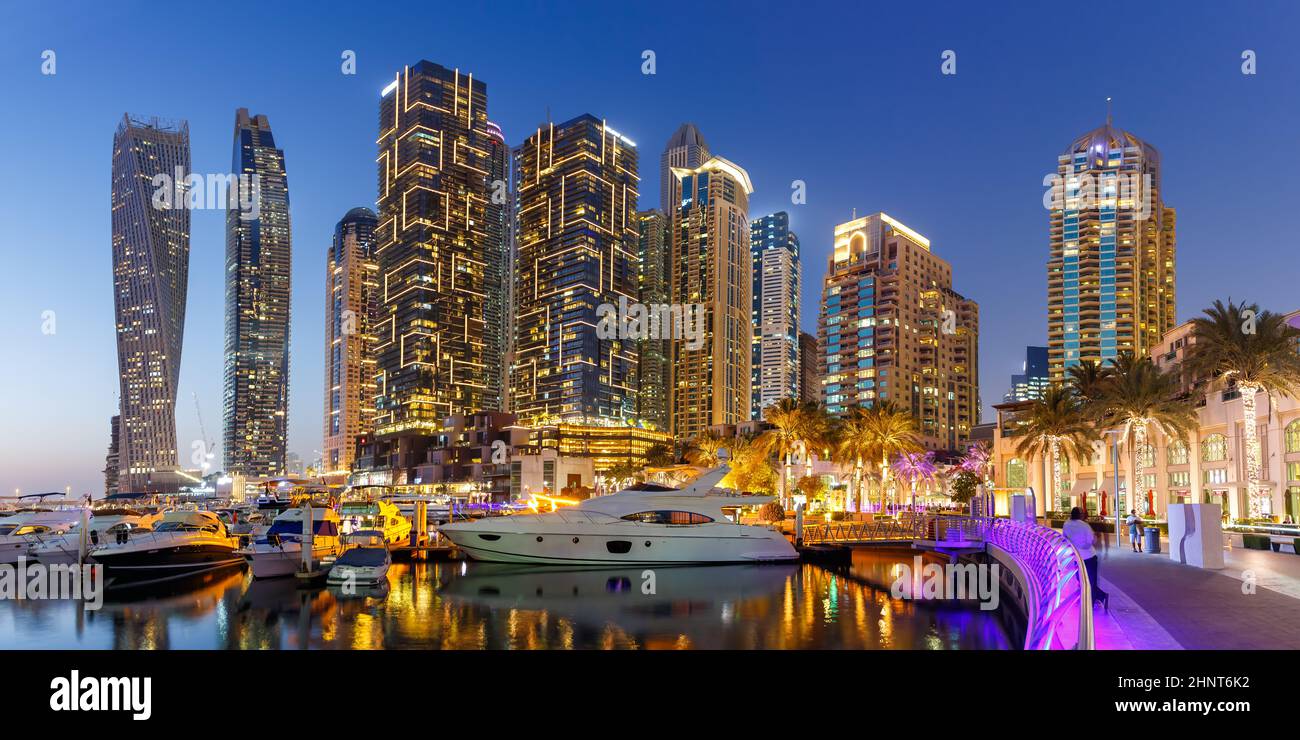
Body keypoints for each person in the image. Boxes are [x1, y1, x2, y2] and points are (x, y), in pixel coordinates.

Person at [1063, 507, 1109, 611]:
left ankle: (1096, 598)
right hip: (1089, 556)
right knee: (1091, 580)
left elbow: (1064, 538)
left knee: (1080, 579)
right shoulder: (1085, 526)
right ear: (1080, 515)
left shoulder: (1066, 524)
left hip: (1076, 557)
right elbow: (1091, 541)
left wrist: (1075, 546)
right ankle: (1092, 602)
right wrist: (1091, 541)